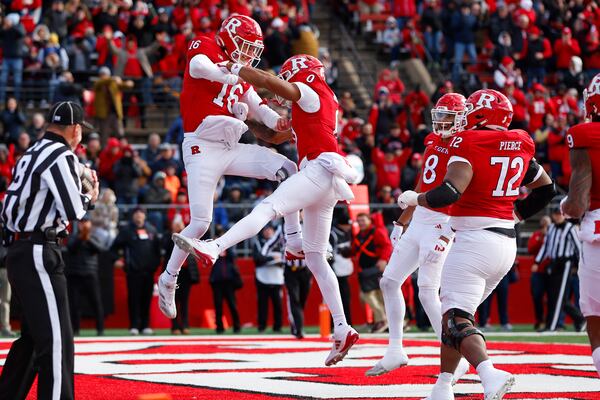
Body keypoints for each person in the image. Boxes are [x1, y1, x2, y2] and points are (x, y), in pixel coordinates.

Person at [173, 54, 360, 366]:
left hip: (318, 171)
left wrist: (235, 69)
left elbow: (271, 82)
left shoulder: (313, 93)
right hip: (326, 178)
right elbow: (273, 136)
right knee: (314, 257)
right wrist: (243, 117)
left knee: (268, 206)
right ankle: (342, 327)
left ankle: (216, 246)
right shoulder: (315, 108)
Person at [398, 89, 555, 399]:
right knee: (454, 316)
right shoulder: (521, 141)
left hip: (473, 242)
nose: (464, 116)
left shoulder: (468, 142)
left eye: (469, 110)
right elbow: (546, 190)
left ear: (480, 115)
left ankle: (489, 373)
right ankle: (442, 387)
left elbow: (450, 192)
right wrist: (514, 214)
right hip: (505, 242)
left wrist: (415, 199)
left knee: (456, 319)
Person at [157, 15, 301, 321]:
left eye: (253, 50)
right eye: (246, 46)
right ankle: (168, 278)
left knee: (289, 168)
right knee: (200, 223)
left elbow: (261, 111)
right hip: (201, 147)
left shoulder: (241, 72)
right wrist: (232, 76)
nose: (249, 55)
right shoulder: (207, 45)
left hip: (229, 147)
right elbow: (198, 67)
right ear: (230, 38)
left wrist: (283, 122)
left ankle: (293, 238)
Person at [367, 93, 471, 378]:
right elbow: (422, 184)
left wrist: (449, 232)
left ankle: (457, 354)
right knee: (389, 281)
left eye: (449, 117)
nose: (442, 122)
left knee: (427, 292)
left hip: (442, 222)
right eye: (440, 115)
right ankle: (395, 348)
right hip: (421, 219)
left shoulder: (468, 147)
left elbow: (460, 194)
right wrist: (402, 221)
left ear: (462, 119)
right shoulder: (432, 141)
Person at [0, 101, 99, 400]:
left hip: (20, 248)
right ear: (76, 129)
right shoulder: (60, 155)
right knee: (57, 342)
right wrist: (91, 194)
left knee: (32, 339)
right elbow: (74, 209)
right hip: (38, 251)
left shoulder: (30, 153)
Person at [561, 71, 600, 377]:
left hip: (597, 231)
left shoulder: (585, 134)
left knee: (595, 312)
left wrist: (564, 206)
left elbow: (577, 205)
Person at [533, 204, 584, 331]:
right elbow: (545, 247)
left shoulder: (570, 228)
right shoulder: (551, 229)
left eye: (559, 214)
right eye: (555, 214)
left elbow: (578, 248)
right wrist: (537, 262)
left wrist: (580, 265)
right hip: (553, 263)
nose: (557, 216)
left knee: (559, 296)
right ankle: (580, 319)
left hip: (566, 263)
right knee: (555, 296)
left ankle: (553, 326)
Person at [111, 207, 161, 335]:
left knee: (147, 299)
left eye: (141, 213)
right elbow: (113, 249)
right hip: (133, 272)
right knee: (133, 299)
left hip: (148, 272)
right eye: (136, 213)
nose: (139, 216)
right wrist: (117, 260)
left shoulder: (152, 230)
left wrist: (155, 265)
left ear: (145, 216)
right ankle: (134, 325)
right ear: (133, 216)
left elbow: (157, 250)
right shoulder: (126, 231)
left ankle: (145, 325)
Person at [351, 213, 391, 333]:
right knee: (376, 295)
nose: (361, 223)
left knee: (367, 294)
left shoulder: (376, 232)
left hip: (376, 268)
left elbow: (387, 245)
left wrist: (383, 260)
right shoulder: (359, 235)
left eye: (363, 220)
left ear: (369, 220)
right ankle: (383, 321)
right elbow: (355, 250)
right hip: (365, 270)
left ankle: (383, 320)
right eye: (359, 221)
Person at [65, 215, 105, 336]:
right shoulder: (73, 236)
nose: (84, 224)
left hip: (90, 274)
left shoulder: (94, 237)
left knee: (96, 303)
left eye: (86, 222)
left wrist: (87, 239)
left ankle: (100, 329)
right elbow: (70, 248)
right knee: (74, 304)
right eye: (82, 222)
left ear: (90, 224)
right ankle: (75, 330)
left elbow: (100, 249)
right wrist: (80, 238)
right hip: (74, 274)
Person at [164, 218, 199, 335]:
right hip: (174, 273)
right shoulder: (169, 240)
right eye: (176, 225)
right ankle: (175, 326)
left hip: (185, 273)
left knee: (184, 301)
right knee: (173, 300)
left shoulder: (189, 239)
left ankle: (185, 325)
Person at [209, 226, 242, 334]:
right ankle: (219, 327)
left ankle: (237, 326)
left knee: (232, 304)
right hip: (217, 281)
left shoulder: (229, 248)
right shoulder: (213, 249)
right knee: (218, 305)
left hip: (228, 281)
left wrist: (225, 248)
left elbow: (233, 257)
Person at [253, 224, 285, 333]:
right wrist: (272, 257)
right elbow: (257, 259)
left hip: (277, 278)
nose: (268, 232)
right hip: (262, 278)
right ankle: (262, 326)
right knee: (262, 305)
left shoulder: (280, 243)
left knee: (278, 305)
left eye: (270, 230)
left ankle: (278, 326)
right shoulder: (258, 243)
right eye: (266, 230)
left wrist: (277, 260)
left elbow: (285, 257)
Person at [528, 215, 552, 331]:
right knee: (537, 297)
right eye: (543, 223)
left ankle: (551, 321)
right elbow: (530, 249)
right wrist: (542, 237)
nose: (545, 225)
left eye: (547, 223)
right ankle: (539, 320)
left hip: (552, 271)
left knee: (552, 298)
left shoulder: (555, 234)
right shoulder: (536, 234)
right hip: (538, 272)